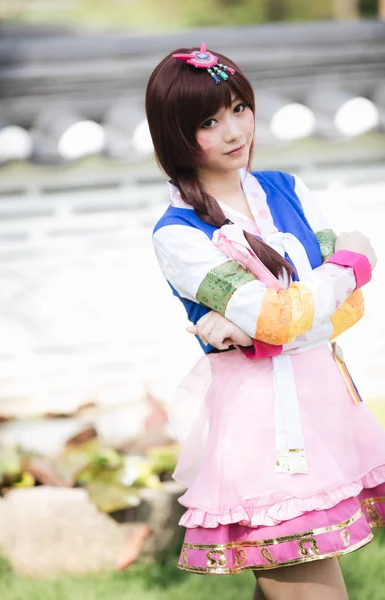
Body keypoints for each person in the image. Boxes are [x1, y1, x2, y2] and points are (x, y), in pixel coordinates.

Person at [146, 43, 385, 600]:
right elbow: (289, 312)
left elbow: (347, 311)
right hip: (264, 428)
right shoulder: (178, 234)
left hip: (327, 405)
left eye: (238, 108)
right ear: (176, 135)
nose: (233, 131)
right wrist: (352, 264)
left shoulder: (288, 189)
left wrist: (259, 333)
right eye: (209, 121)